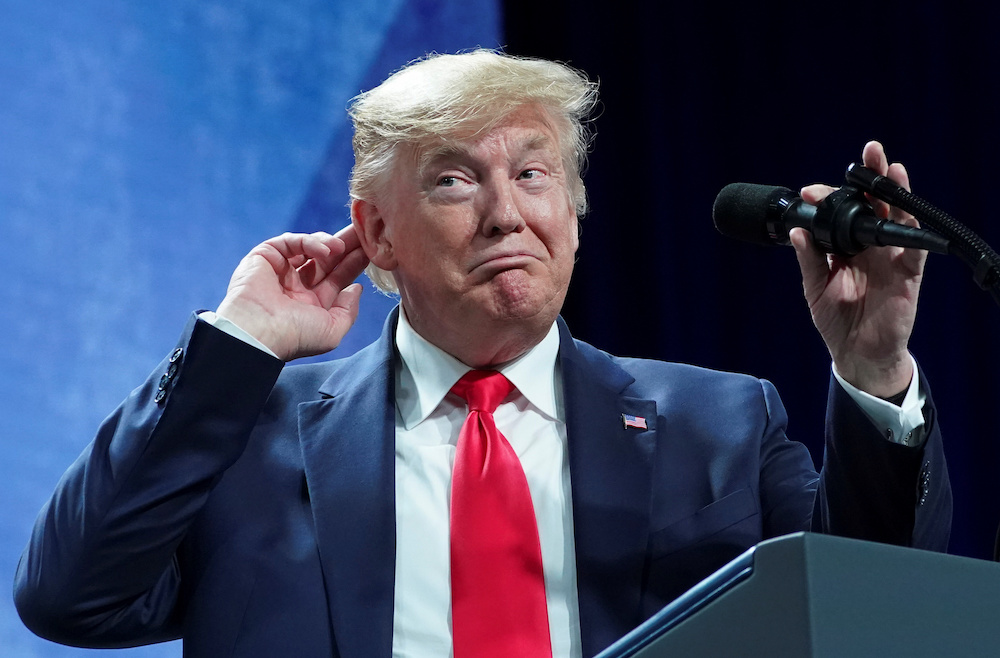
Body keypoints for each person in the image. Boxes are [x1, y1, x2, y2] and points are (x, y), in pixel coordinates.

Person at [14, 50, 950, 658]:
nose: (508, 214)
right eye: (456, 180)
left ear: (573, 211)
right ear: (377, 233)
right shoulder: (251, 440)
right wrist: (239, 342)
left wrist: (874, 371)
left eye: (534, 173)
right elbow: (70, 598)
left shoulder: (723, 425)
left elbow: (873, 618)